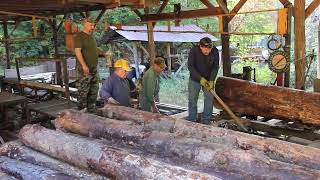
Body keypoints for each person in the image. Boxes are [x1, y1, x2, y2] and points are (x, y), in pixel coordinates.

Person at [74, 17, 106, 112]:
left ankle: (91, 108)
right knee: (83, 90)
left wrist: (102, 53)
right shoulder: (79, 36)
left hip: (93, 68)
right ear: (84, 24)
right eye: (90, 25)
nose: (92, 27)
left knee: (94, 89)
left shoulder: (91, 37)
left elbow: (93, 49)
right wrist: (84, 65)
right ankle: (81, 111)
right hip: (84, 69)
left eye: (93, 25)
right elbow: (77, 52)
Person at [187, 37, 219, 124]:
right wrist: (200, 79)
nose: (207, 51)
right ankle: (191, 119)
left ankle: (206, 120)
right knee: (192, 99)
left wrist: (212, 80)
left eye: (209, 49)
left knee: (209, 98)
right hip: (195, 78)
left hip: (209, 79)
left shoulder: (215, 51)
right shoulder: (194, 51)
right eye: (205, 49)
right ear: (200, 46)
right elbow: (190, 66)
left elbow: (215, 67)